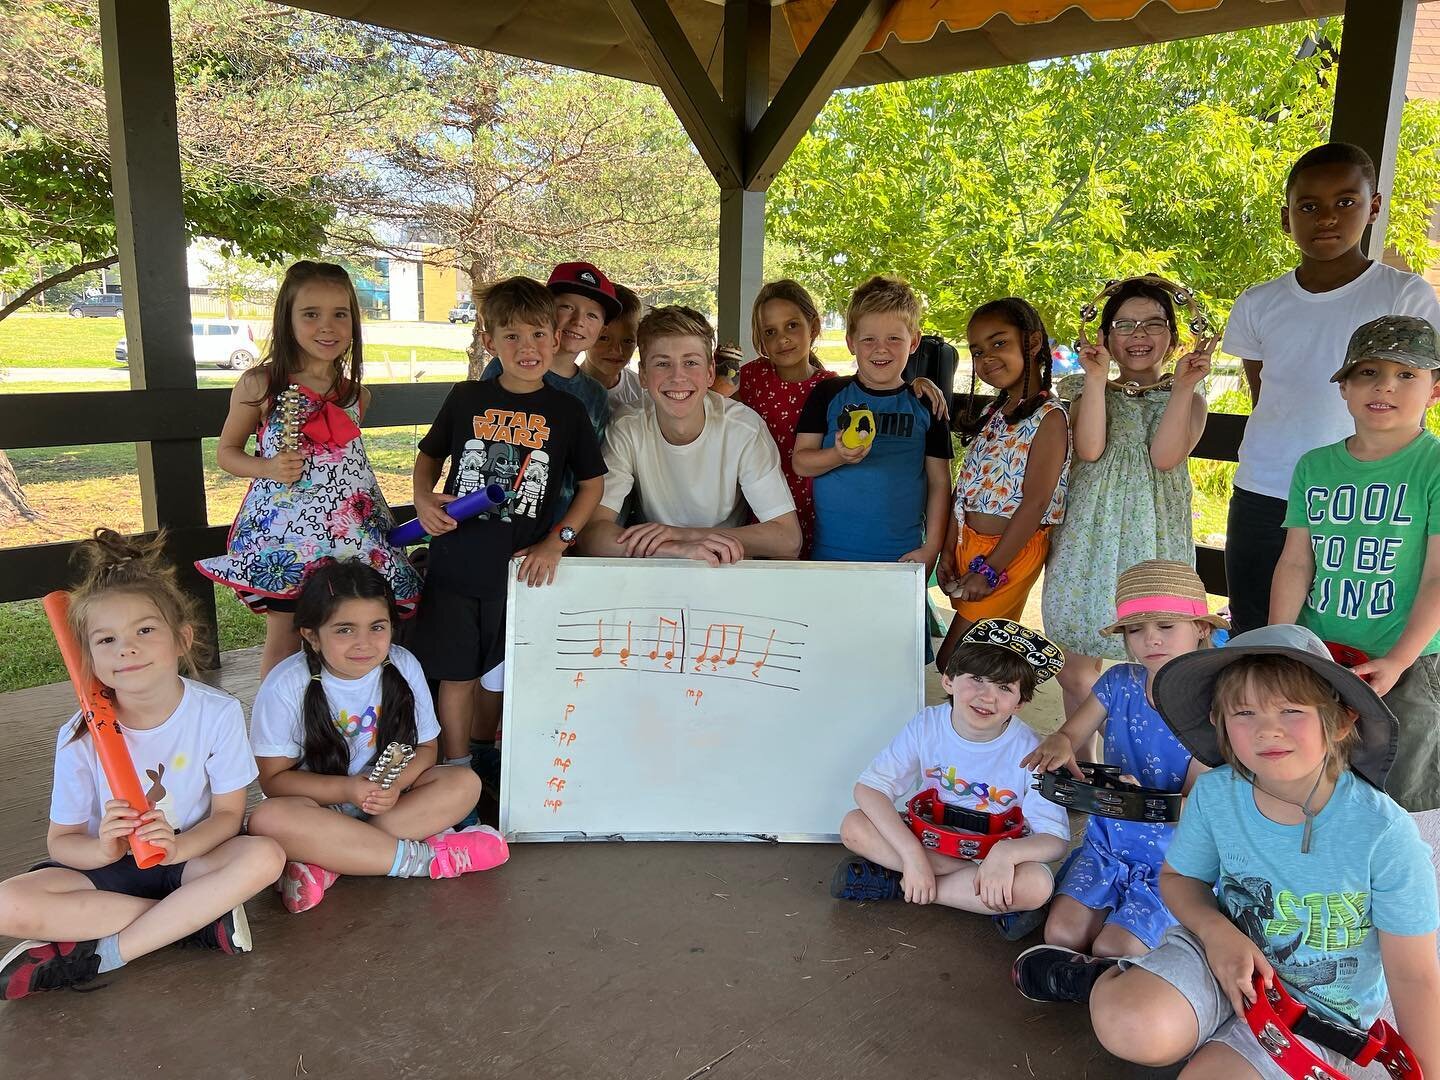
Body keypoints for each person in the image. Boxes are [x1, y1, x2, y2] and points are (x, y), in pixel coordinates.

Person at [1013, 625, 1440, 1080]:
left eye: (1291, 710)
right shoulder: (1216, 794)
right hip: (1214, 953)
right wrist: (1218, 933)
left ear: (1339, 720)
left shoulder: (1383, 834)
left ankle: (1195, 1028)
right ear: (1218, 722)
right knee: (1131, 1023)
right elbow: (1179, 880)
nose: (1267, 730)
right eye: (1244, 712)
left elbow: (1414, 977)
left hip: (1318, 1008)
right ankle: (1104, 979)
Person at [0, 530, 284, 999]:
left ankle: (104, 953)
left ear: (181, 639)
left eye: (145, 630)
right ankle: (191, 921)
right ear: (88, 657)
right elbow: (63, 841)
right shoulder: (80, 735)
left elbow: (230, 818)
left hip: (187, 861)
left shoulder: (217, 713)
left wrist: (177, 848)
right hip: (106, 873)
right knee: (7, 903)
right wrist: (103, 850)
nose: (126, 648)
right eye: (106, 639)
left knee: (265, 856)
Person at [1222, 141, 1440, 634]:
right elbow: (1265, 392)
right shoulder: (1259, 303)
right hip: (1267, 487)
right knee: (1259, 632)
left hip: (1369, 494)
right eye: (1308, 206)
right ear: (1286, 217)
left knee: (1357, 637)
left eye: (1346, 202)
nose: (1326, 217)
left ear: (1374, 207)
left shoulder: (1403, 294)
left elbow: (1416, 391)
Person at [410, 276, 606, 765]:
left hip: (522, 571)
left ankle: (491, 759)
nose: (528, 347)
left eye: (539, 334)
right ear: (488, 340)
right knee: (457, 677)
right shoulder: (466, 398)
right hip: (456, 563)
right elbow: (428, 457)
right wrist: (422, 498)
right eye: (512, 336)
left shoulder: (567, 411)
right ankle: (456, 771)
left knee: (507, 672)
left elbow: (591, 486)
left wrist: (557, 543)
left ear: (556, 339)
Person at [199, 261, 421, 676]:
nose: (327, 326)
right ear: (288, 318)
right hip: (288, 534)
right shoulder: (260, 385)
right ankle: (274, 729)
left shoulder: (356, 395)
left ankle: (339, 717)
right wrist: (267, 467)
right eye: (311, 314)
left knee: (348, 628)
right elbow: (226, 453)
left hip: (351, 534)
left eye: (340, 314)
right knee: (286, 630)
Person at [246, 560, 507, 914]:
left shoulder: (402, 665)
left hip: (388, 804)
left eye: (377, 627)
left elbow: (427, 748)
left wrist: (396, 784)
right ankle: (426, 859)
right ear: (311, 635)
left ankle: (329, 862)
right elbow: (274, 781)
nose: (364, 643)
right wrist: (348, 790)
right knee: (268, 819)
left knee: (463, 782)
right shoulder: (285, 685)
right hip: (319, 808)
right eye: (344, 630)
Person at [1270, 314, 1440, 814]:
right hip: (1319, 653)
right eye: (1368, 372)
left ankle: (1401, 890)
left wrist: (1400, 658)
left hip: (1405, 659)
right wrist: (1283, 643)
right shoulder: (1315, 465)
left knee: (1403, 792)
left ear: (1434, 390)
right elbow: (1296, 563)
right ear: (1344, 387)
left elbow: (1437, 576)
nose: (1385, 386)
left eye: (1406, 374)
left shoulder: (1432, 465)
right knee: (1315, 779)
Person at [1022, 561, 1220, 959]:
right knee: (1061, 934)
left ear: (1201, 629)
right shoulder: (1118, 683)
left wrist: (1142, 801)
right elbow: (1071, 733)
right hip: (1109, 843)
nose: (1150, 639)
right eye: (1135, 629)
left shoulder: (1214, 707)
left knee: (1115, 947)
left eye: (1166, 626)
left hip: (1177, 860)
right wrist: (1059, 742)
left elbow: (1197, 805)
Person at [830, 619, 1071, 939]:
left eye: (1004, 688)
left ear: (1020, 703)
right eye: (977, 679)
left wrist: (1005, 855)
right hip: (931, 841)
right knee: (854, 826)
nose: (987, 697)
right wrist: (913, 856)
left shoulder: (1033, 751)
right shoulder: (927, 725)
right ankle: (983, 899)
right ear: (948, 680)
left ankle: (895, 884)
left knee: (1037, 885)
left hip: (995, 855)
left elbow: (1055, 839)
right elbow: (870, 788)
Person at [1043, 276, 1213, 718]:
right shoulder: (1083, 390)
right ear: (1105, 337)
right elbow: (1091, 448)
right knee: (1076, 663)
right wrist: (1097, 380)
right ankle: (1083, 762)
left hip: (1153, 535)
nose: (1139, 334)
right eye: (1124, 324)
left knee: (1158, 651)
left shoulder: (1190, 398)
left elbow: (1164, 457)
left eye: (1154, 324)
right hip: (1089, 533)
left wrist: (1181, 388)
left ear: (1174, 339)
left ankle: (1143, 756)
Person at [578, 305, 802, 563]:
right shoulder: (627, 426)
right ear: (642, 375)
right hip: (657, 563)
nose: (677, 377)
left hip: (726, 563)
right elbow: (592, 534)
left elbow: (788, 538)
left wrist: (683, 536)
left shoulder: (743, 429)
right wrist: (674, 549)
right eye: (663, 363)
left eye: (691, 362)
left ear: (709, 373)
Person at [751, 278, 948, 557]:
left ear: (914, 341)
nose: (881, 348)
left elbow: (939, 483)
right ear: (850, 343)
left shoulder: (926, 403)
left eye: (894, 338)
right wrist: (838, 455)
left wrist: (932, 548)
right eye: (869, 339)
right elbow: (801, 462)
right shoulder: (828, 393)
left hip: (903, 556)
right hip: (830, 557)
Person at [937, 297, 1070, 671]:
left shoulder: (1049, 418)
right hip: (970, 546)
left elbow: (1035, 503)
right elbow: (963, 490)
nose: (987, 358)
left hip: (1007, 555)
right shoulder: (993, 414)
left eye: (999, 343)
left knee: (956, 662)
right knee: (982, 664)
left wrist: (991, 568)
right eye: (977, 351)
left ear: (1031, 343)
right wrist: (949, 549)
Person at [579, 282, 645, 414]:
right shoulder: (563, 389)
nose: (616, 350)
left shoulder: (641, 389)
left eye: (627, 341)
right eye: (603, 338)